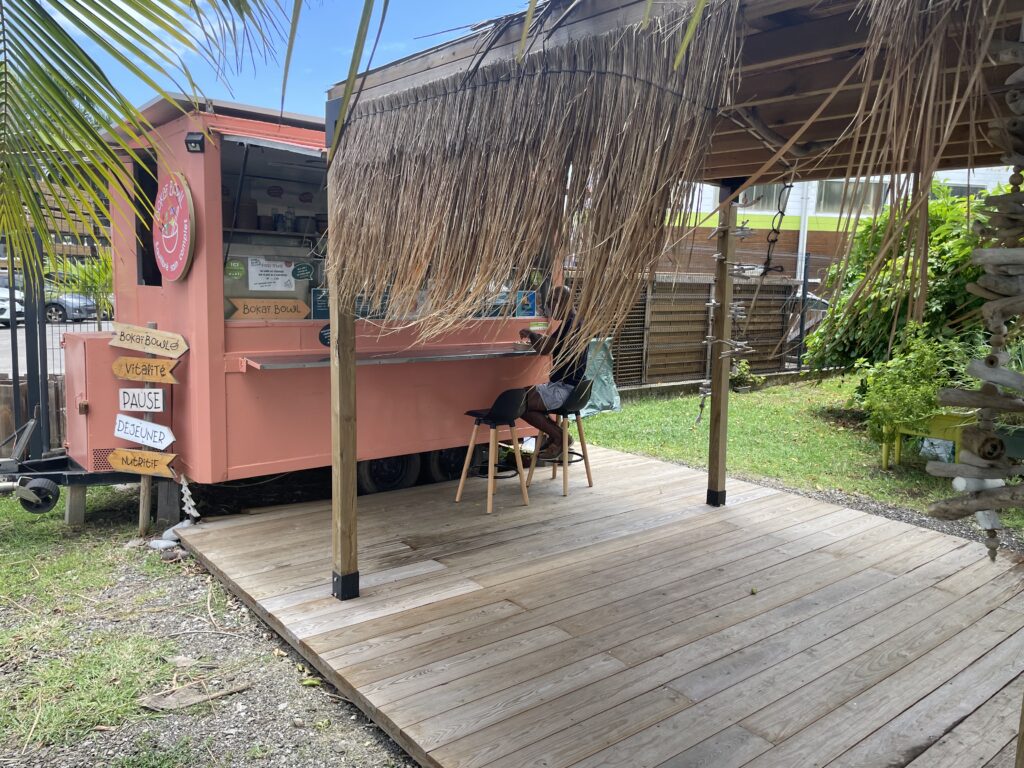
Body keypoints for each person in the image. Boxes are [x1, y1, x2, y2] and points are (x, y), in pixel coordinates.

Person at [519, 285, 588, 461]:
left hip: (566, 389)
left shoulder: (570, 325)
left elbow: (545, 348)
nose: (550, 304)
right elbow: (552, 342)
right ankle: (557, 436)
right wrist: (535, 335)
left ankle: (559, 437)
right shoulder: (575, 321)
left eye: (555, 300)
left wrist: (530, 335)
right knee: (523, 401)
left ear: (569, 301)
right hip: (575, 389)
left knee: (519, 401)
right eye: (550, 300)